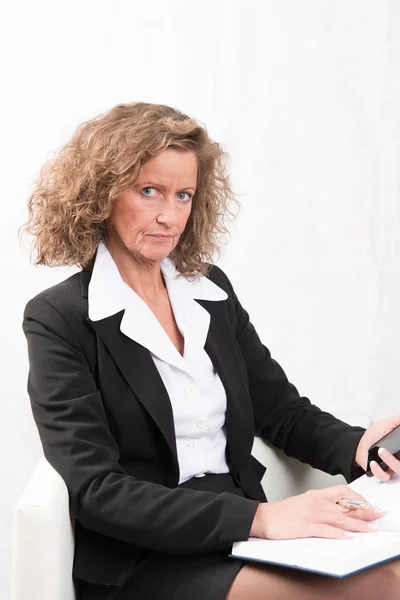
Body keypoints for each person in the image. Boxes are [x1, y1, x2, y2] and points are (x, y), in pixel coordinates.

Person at [21, 101, 400, 600]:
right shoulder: (60, 317)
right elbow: (97, 491)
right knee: (368, 589)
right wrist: (263, 518)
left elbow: (280, 411)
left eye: (184, 196)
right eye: (149, 191)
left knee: (389, 573)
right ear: (102, 193)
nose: (168, 216)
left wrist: (360, 447)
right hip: (144, 555)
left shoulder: (209, 291)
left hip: (243, 527)